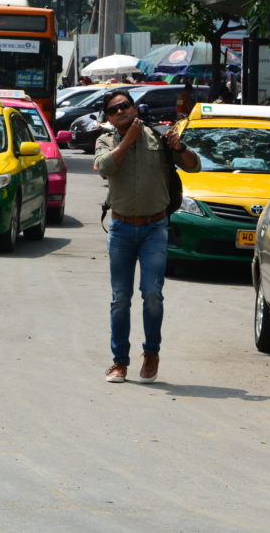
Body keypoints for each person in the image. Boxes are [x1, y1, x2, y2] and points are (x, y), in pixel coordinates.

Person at [94, 89, 201, 383]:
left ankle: (151, 352)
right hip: (121, 229)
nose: (120, 112)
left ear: (134, 108)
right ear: (109, 117)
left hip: (154, 227)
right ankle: (119, 362)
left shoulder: (158, 137)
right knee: (120, 298)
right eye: (114, 110)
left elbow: (194, 165)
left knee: (152, 295)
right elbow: (103, 168)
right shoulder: (106, 140)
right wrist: (127, 142)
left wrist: (179, 148)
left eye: (125, 106)